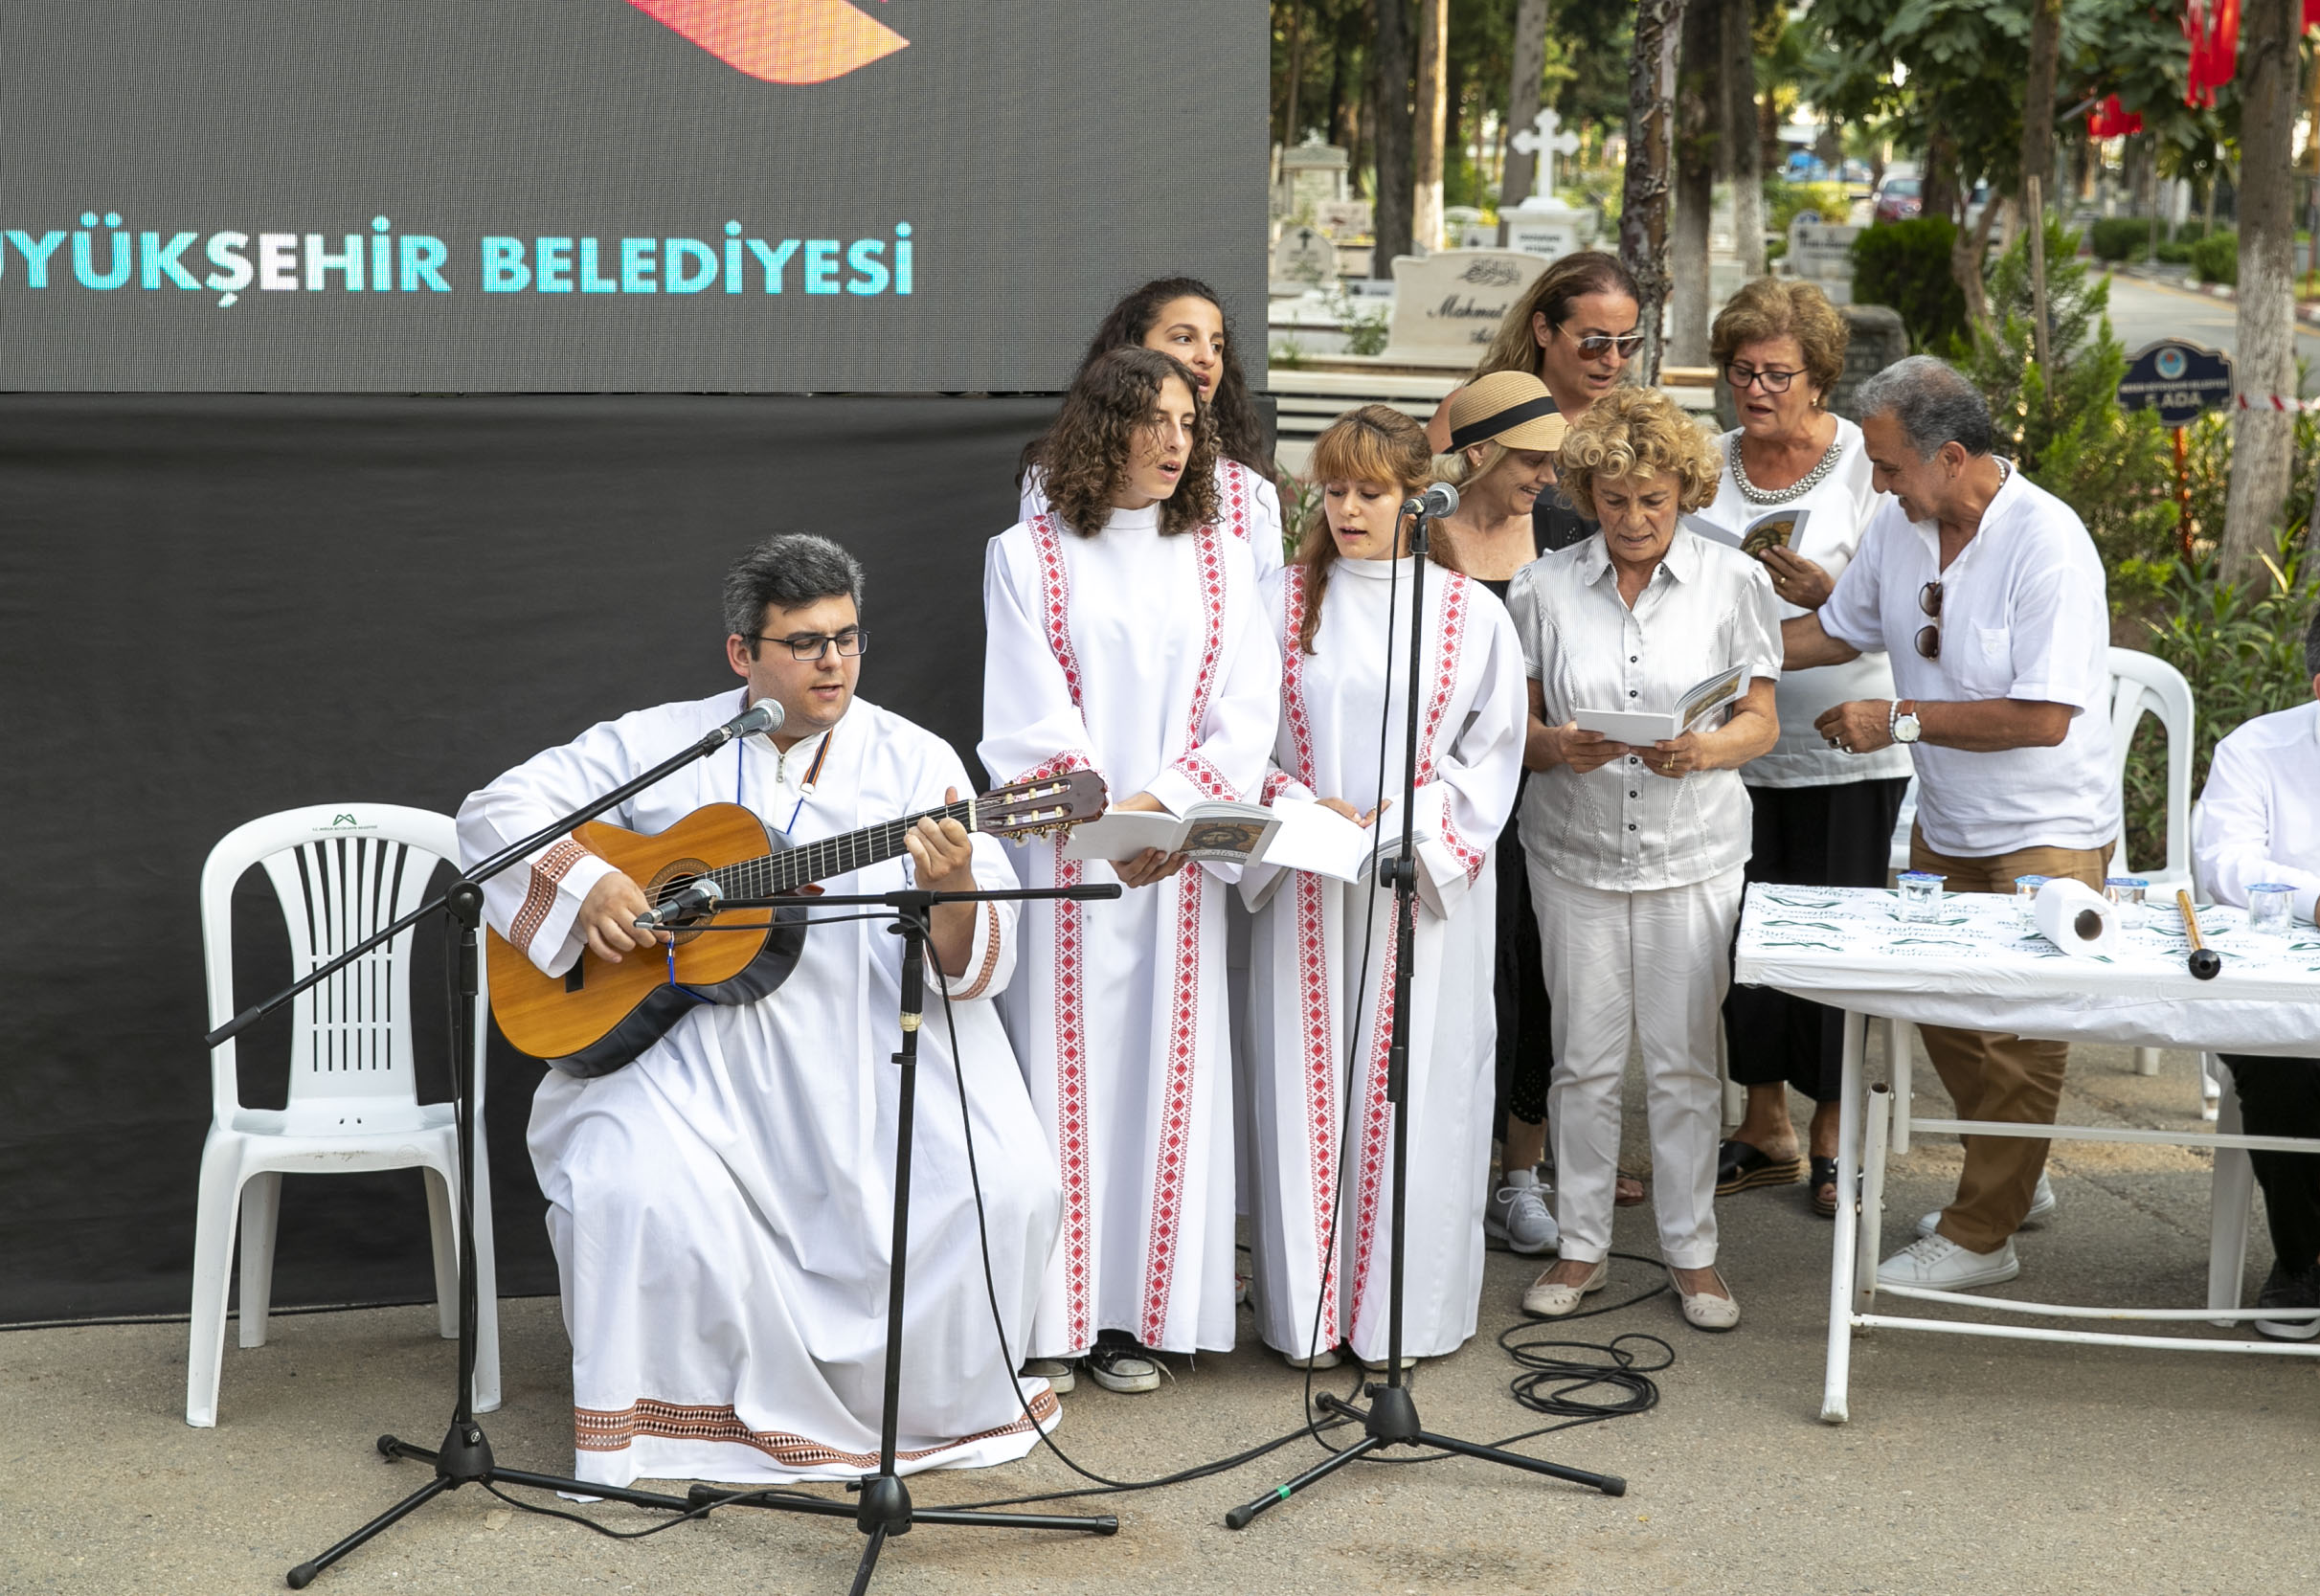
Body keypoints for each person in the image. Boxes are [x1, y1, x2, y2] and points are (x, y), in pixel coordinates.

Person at [457, 534, 1060, 1488]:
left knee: (1007, 1180)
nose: (834, 662)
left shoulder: (916, 759)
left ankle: (912, 1413)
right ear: (743, 652)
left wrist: (951, 887)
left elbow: (974, 961)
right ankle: (675, 1425)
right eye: (806, 642)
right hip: (694, 1056)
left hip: (866, 1043)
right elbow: (494, 811)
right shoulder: (666, 740)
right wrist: (590, 884)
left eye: (848, 638)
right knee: (628, 1183)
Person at [1780, 355, 2115, 1292]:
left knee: (2021, 1032)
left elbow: (2043, 717)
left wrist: (1896, 719)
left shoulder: (2048, 542)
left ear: (1952, 456)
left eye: (1888, 466)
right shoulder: (1901, 525)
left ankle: (1981, 1231)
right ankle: (2011, 1177)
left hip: (2048, 825)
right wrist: (1720, 654)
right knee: (1943, 1008)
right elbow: (1837, 629)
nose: (1878, 483)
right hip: (1948, 818)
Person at [981, 346, 1279, 1394]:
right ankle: (1051, 1318)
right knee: (1063, 1081)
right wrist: (1107, 813)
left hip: (1173, 870)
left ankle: (1136, 1319)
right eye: (1154, 420)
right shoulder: (1026, 555)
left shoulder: (1222, 558)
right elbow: (1025, 709)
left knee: (1165, 1083)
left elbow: (1247, 709)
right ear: (1104, 426)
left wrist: (1167, 809)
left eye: (1189, 424)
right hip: (1068, 863)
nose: (1175, 442)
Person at [1241, 406, 1528, 1369]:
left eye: (1370, 491)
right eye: (1334, 489)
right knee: (1309, 1094)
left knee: (1416, 1092)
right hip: (1308, 884)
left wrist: (1404, 819)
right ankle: (1309, 1317)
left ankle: (1400, 1315)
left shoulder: (1467, 612)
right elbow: (1234, 738)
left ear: (1418, 498)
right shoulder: (1280, 600)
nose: (1348, 509)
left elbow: (1492, 755)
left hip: (1419, 889)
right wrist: (1297, 800)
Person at [1506, 387, 1783, 1333]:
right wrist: (1556, 745)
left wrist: (1702, 749)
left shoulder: (1733, 580)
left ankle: (1692, 1253)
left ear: (1685, 493)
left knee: (1683, 1062)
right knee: (1582, 1059)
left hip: (1693, 850)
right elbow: (1517, 728)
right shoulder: (1542, 587)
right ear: (1587, 492)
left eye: (1653, 501)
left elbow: (1759, 719)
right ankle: (1581, 1244)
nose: (1633, 519)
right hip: (1572, 848)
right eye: (1615, 499)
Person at [1700, 280, 1910, 1218]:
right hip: (1733, 744)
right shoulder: (1708, 463)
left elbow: (1906, 609)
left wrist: (1830, 595)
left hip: (1844, 744)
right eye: (1741, 370)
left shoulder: (1869, 466)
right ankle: (1763, 1123)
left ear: (1818, 377)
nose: (1755, 389)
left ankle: (1832, 1130)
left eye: (1776, 374)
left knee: (1834, 939)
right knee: (1740, 934)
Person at [1431, 370, 1624, 1251]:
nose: (1549, 479)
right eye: (1531, 461)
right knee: (1465, 980)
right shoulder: (1420, 532)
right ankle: (1443, 1168)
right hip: (1446, 791)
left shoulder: (1561, 530)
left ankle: (1520, 1174)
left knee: (1533, 975)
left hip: (1545, 791)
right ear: (1478, 453)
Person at [2194, 585, 2320, 1338]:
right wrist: (2316, 897)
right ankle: (2302, 1253)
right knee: (2272, 1053)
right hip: (2292, 994)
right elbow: (2223, 863)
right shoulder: (2258, 751)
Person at [1022, 276, 1284, 578]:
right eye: (1184, 338)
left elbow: (1263, 602)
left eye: (1217, 345)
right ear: (1133, 349)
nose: (1207, 357)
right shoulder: (1054, 477)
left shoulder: (1251, 493)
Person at [1426, 250, 1642, 552]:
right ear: (1543, 329)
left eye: (1627, 343)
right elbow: (1419, 515)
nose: (1614, 360)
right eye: (1594, 343)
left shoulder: (1637, 427)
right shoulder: (1473, 411)